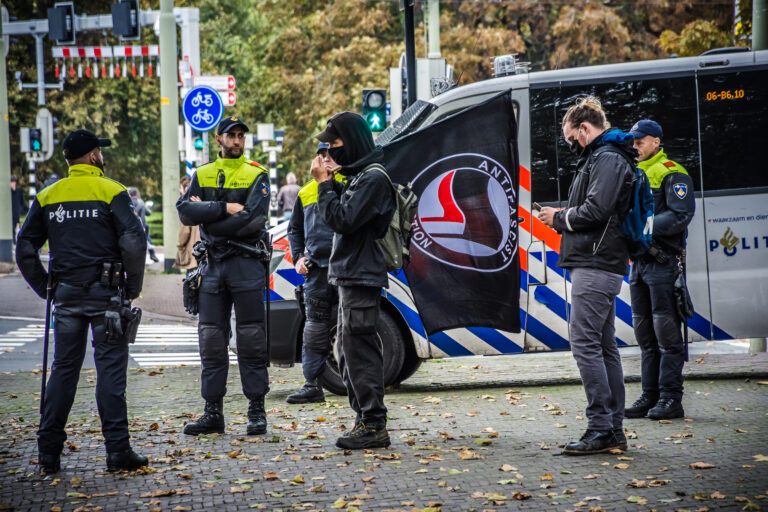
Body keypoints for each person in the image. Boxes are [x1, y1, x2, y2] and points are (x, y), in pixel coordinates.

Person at [15, 129, 148, 473]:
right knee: (110, 374)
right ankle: (118, 452)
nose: (101, 156)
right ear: (92, 157)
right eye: (99, 152)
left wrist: (46, 286)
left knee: (62, 371)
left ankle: (48, 454)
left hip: (67, 298)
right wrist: (132, 286)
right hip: (108, 298)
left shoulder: (48, 196)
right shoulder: (112, 191)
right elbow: (134, 241)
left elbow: (25, 247)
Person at [538, 96, 634, 455]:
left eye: (571, 138)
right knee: (603, 346)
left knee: (585, 345)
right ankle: (613, 428)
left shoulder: (607, 158)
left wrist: (558, 218)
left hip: (597, 264)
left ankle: (601, 427)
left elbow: (596, 209)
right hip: (599, 263)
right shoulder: (604, 156)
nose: (571, 145)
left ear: (585, 128)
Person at [176, 116, 271, 436]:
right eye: (231, 135)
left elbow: (254, 220)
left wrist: (211, 218)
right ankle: (212, 413)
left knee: (252, 340)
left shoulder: (257, 173)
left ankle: (256, 411)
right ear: (218, 139)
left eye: (241, 136)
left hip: (246, 264)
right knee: (211, 341)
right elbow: (185, 211)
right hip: (213, 266)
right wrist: (224, 209)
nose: (237, 141)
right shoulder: (200, 174)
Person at [313, 112, 395, 449]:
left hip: (362, 275)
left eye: (334, 144)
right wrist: (332, 181)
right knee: (346, 351)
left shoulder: (374, 179)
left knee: (359, 350)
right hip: (351, 274)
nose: (330, 152)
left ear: (354, 140)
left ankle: (374, 425)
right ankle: (363, 419)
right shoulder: (360, 177)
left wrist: (323, 185)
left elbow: (342, 219)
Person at [625, 120, 695, 420]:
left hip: (663, 263)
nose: (635, 146)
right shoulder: (632, 171)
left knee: (666, 335)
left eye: (640, 141)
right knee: (645, 336)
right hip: (639, 265)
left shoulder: (672, 171)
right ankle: (650, 396)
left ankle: (670, 399)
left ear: (655, 141)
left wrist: (642, 227)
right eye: (633, 142)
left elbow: (680, 215)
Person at [285, 142, 344, 404]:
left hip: (347, 268)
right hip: (317, 270)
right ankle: (312, 385)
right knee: (315, 330)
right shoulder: (306, 192)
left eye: (330, 154)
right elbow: (295, 230)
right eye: (321, 155)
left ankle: (361, 384)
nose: (325, 159)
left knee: (355, 327)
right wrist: (298, 258)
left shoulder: (352, 184)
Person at [173, 176, 202, 274]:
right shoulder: (201, 201)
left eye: (180, 187)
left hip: (193, 250)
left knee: (191, 280)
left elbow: (184, 232)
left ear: (185, 188)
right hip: (205, 248)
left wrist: (180, 245)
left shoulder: (186, 206)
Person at [128, 187, 159, 263]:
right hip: (140, 227)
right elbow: (148, 213)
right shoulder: (140, 202)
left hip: (128, 226)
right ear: (136, 194)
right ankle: (152, 253)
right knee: (147, 235)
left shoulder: (126, 202)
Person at [10, 175, 27, 241]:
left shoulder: (19, 191)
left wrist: (21, 210)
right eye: (12, 182)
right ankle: (14, 239)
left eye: (14, 182)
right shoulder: (9, 192)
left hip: (17, 212)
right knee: (12, 227)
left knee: (17, 226)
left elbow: (22, 201)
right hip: (11, 212)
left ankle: (17, 239)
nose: (13, 183)